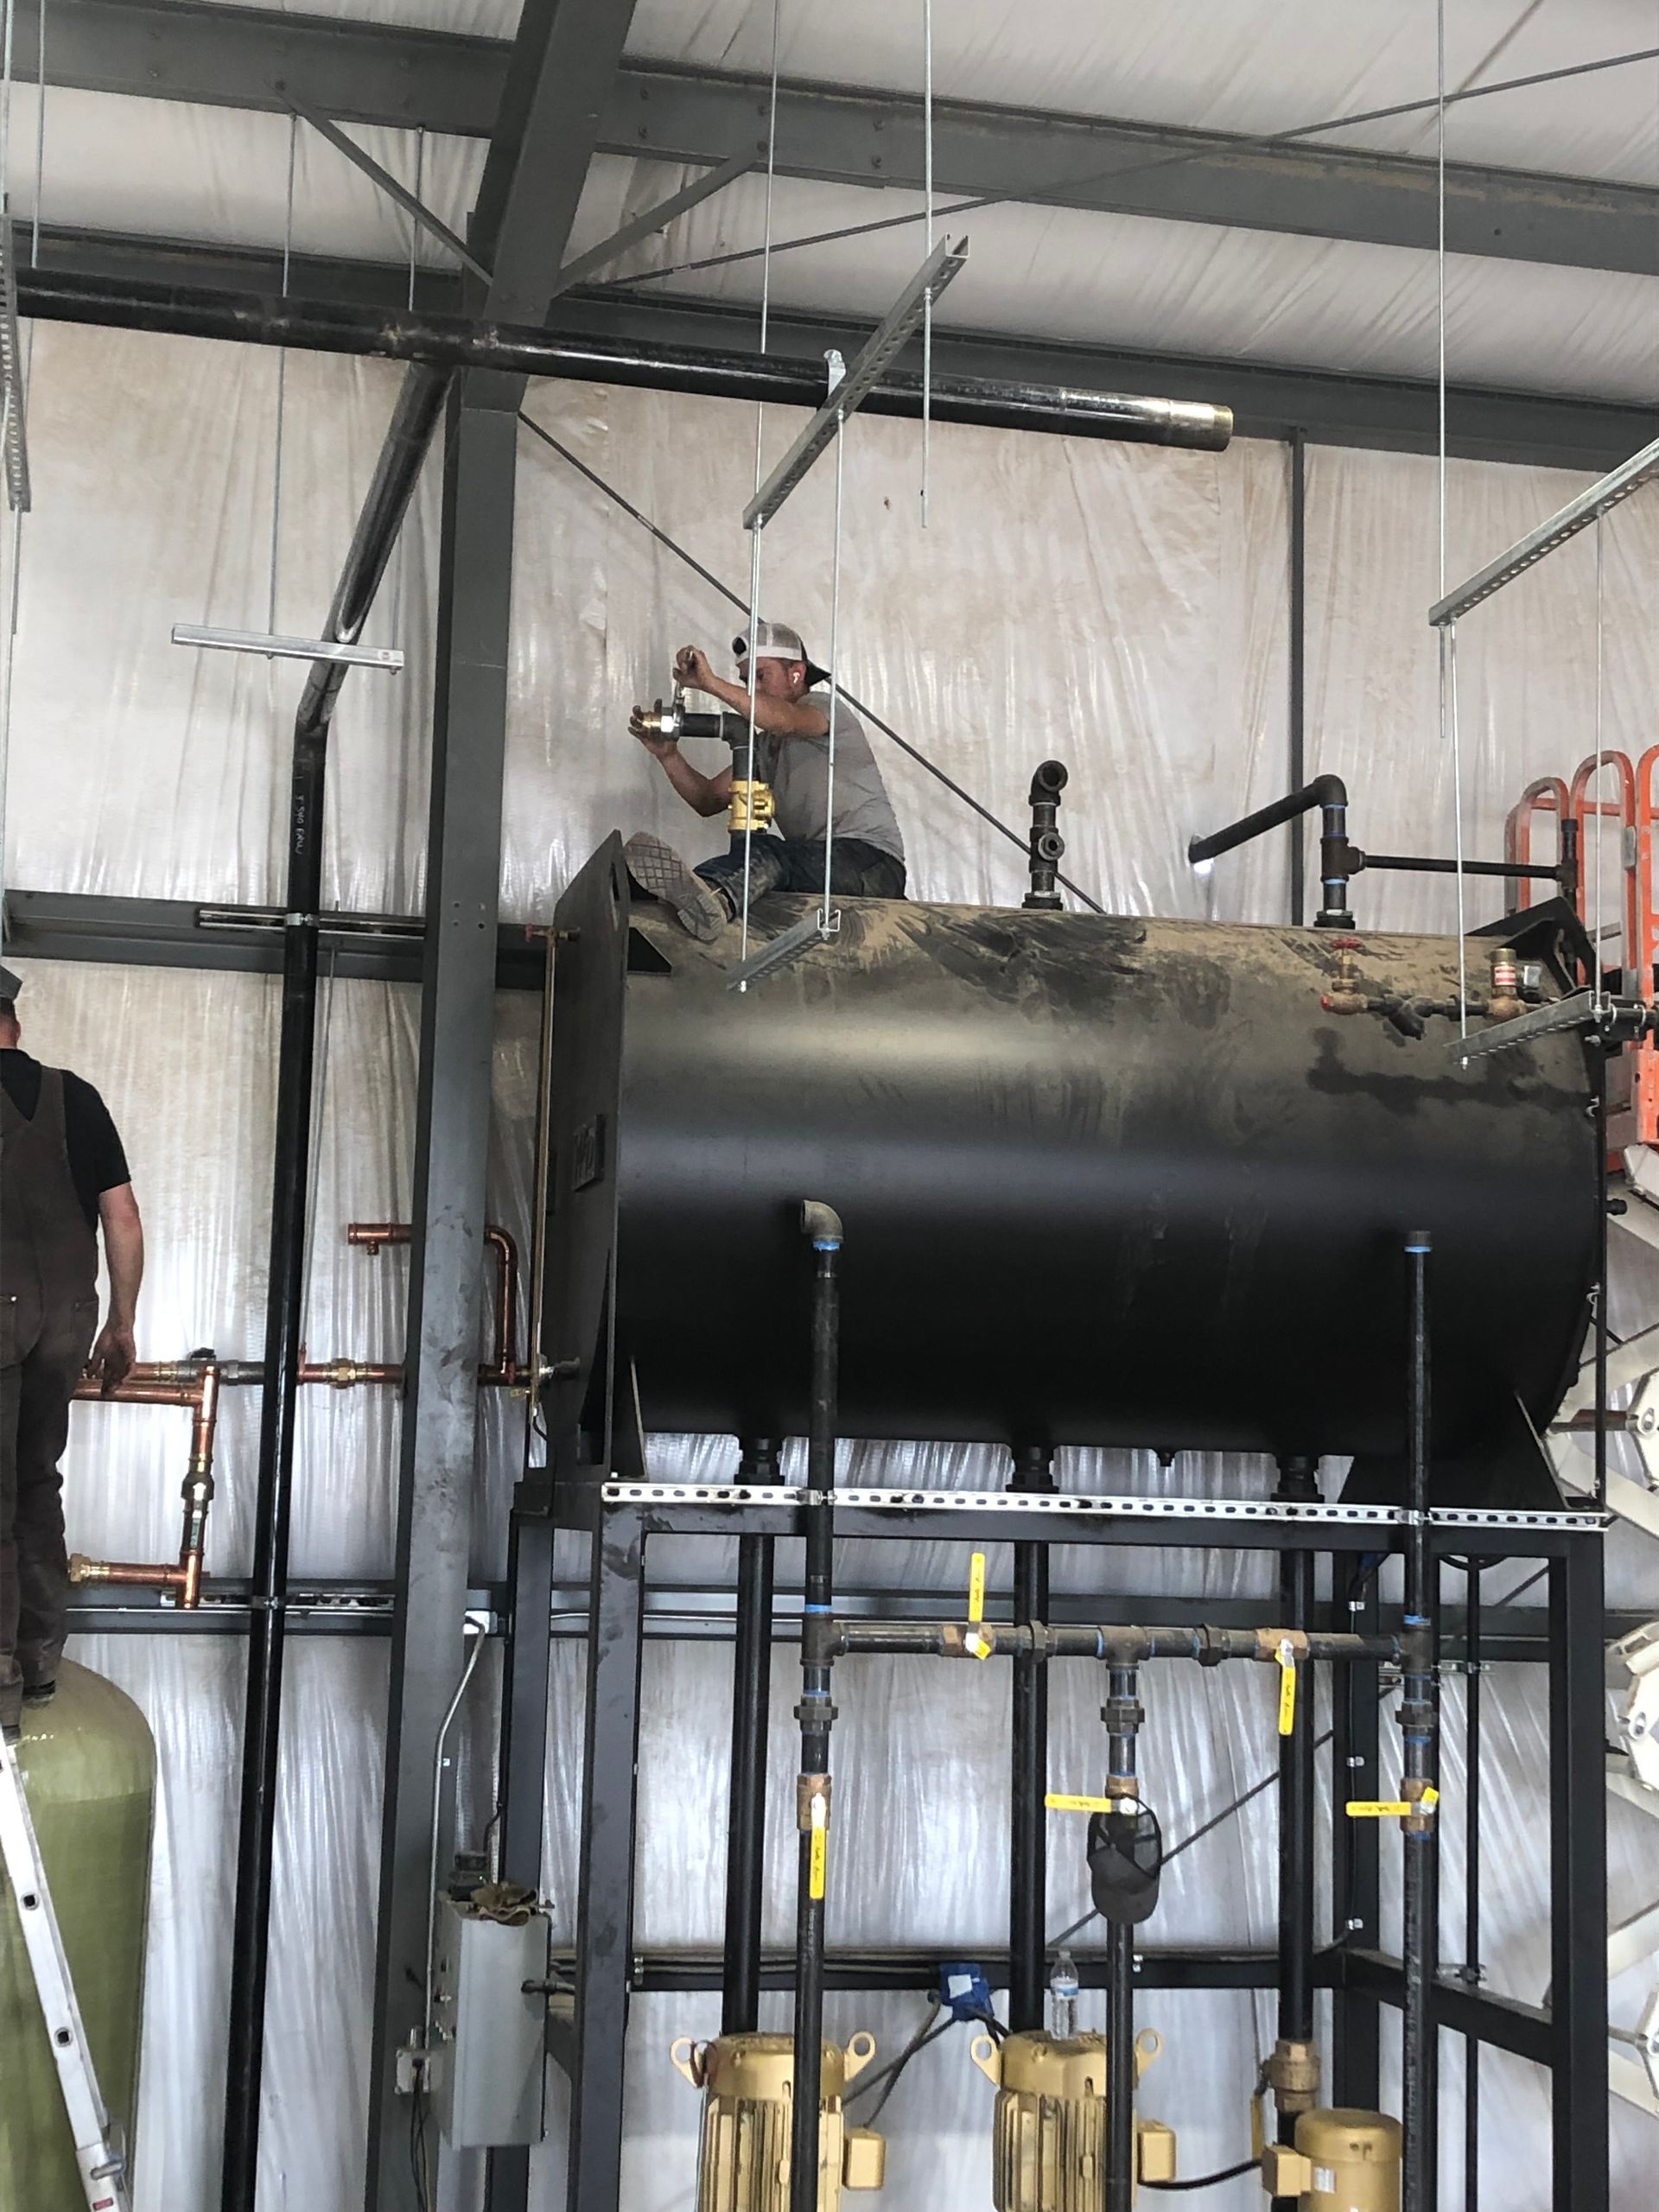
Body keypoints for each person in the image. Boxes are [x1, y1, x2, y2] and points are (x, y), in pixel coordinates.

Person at [0, 965, 143, 1738]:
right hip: (65, 1325)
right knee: (36, 1484)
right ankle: (42, 1660)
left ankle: (0, 1683)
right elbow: (121, 1218)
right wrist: (121, 1323)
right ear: (14, 1022)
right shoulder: (74, 1097)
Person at [626, 620, 906, 940]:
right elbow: (707, 800)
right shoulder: (766, 747)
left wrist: (712, 684)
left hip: (872, 865)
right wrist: (668, 756)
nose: (752, 689)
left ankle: (710, 899)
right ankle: (683, 897)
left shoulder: (823, 709)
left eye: (761, 676)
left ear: (796, 674)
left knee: (769, 853)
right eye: (747, 680)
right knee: (761, 860)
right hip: (821, 866)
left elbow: (783, 719)